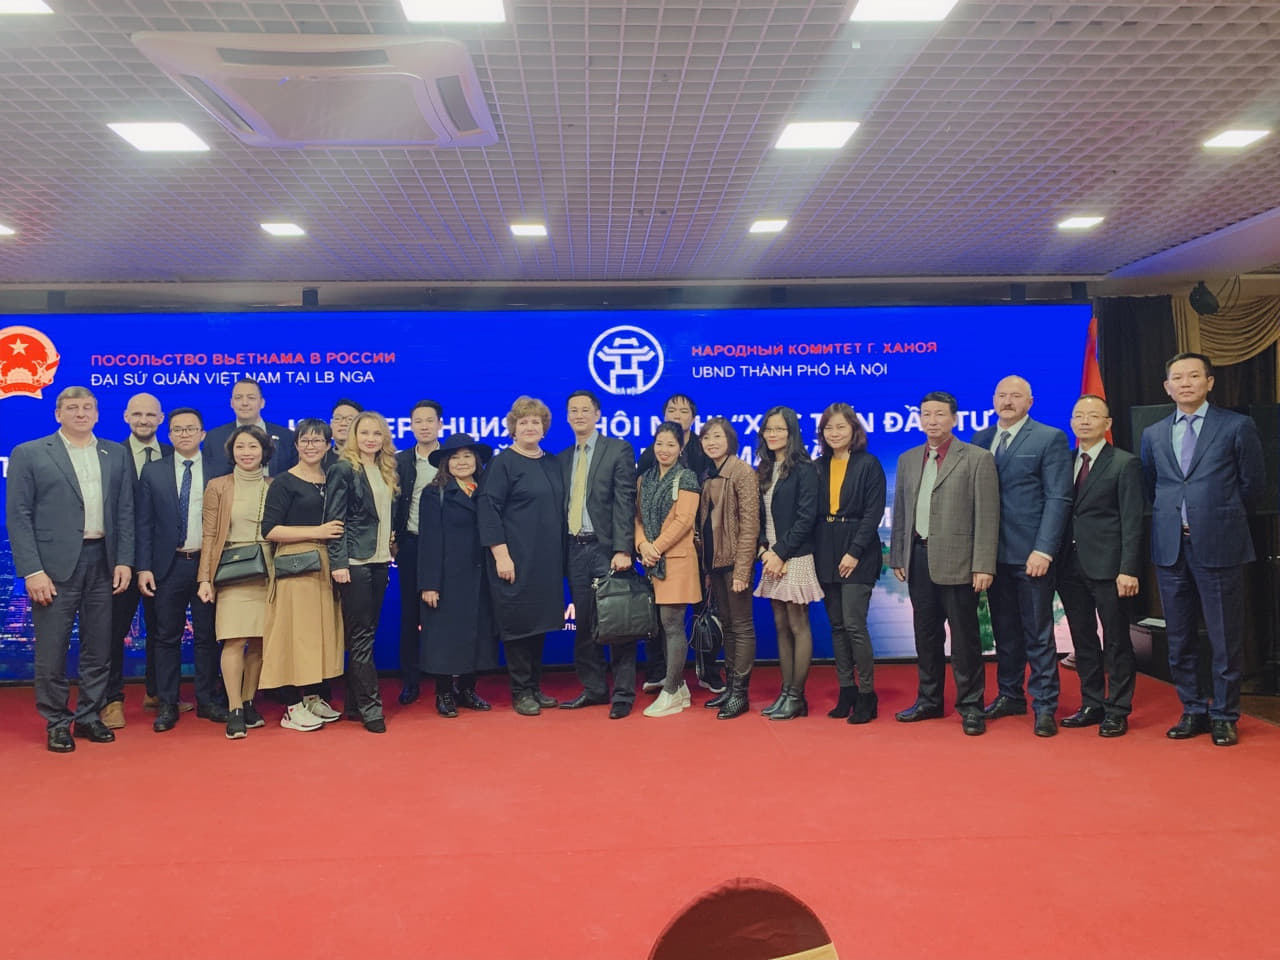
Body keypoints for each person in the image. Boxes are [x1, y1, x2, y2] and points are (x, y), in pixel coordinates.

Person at [1140, 352, 1266, 747]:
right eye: (1177, 378)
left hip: (1220, 543)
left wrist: (1217, 515)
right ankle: (1192, 708)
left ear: (1209, 382)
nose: (1186, 383)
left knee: (1225, 635)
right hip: (1171, 546)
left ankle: (1225, 714)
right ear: (1167, 387)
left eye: (1194, 376)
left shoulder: (1236, 426)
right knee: (1179, 637)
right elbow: (1152, 485)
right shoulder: (1153, 433)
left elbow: (1253, 484)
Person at [6, 386, 134, 753]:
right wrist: (32, 571)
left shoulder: (115, 453)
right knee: (52, 650)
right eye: (73, 407)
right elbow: (18, 516)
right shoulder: (29, 452)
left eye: (88, 407)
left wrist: (124, 560)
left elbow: (125, 510)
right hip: (52, 567)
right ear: (57, 414)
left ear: (97, 413)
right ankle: (57, 722)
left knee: (99, 647)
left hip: (103, 561)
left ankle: (90, 715)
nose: (81, 413)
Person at [889, 391, 999, 736]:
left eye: (939, 414)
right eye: (926, 414)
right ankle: (929, 700)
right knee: (926, 635)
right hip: (918, 558)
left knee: (965, 638)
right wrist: (897, 555)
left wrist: (983, 564)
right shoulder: (909, 459)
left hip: (960, 562)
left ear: (954, 419)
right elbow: (901, 511)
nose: (932, 421)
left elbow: (987, 516)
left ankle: (971, 706)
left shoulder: (977, 458)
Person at [972, 375, 1072, 738]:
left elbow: (1058, 498)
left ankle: (1044, 705)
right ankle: (1010, 695)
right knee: (1005, 632)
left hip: (1032, 554)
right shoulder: (981, 439)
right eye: (1001, 395)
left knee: (1038, 633)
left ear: (1030, 401)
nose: (1007, 401)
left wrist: (1044, 549)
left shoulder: (1049, 437)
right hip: (992, 555)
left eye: (1016, 396)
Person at [1057, 395, 1144, 738]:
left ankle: (1118, 709)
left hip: (1110, 567)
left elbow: (1133, 521)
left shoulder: (1124, 463)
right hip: (1069, 567)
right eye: (1078, 415)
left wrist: (1128, 568)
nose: (1084, 421)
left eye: (1093, 416)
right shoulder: (1064, 461)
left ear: (1107, 424)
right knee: (1083, 639)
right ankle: (1092, 703)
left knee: (1117, 640)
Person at [135, 407, 223, 731]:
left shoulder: (219, 469)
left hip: (206, 565)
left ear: (202, 434)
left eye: (190, 428)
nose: (184, 434)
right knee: (165, 637)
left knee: (207, 636)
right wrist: (143, 567)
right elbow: (144, 524)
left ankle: (207, 700)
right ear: (169, 435)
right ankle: (167, 703)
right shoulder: (153, 472)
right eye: (177, 429)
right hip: (167, 565)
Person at [478, 396, 566, 715]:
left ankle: (535, 686)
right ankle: (521, 691)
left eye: (536, 422)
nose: (530, 427)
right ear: (513, 428)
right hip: (514, 558)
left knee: (539, 624)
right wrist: (501, 555)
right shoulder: (503, 463)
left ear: (544, 428)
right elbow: (488, 510)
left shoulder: (552, 462)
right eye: (523, 422)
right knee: (518, 625)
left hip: (546, 559)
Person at [260, 418, 346, 732]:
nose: (311, 446)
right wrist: (317, 531)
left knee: (318, 635)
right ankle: (291, 706)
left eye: (317, 440)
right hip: (295, 564)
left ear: (328, 445)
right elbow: (270, 530)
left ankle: (312, 696)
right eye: (305, 440)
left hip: (325, 564)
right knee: (292, 636)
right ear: (296, 445)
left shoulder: (332, 478)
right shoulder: (284, 482)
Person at [558, 390, 639, 719]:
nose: (579, 415)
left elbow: (624, 501)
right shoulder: (563, 458)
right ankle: (593, 688)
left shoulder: (617, 449)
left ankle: (623, 694)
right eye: (573, 410)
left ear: (598, 414)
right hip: (574, 549)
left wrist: (623, 548)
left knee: (617, 622)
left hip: (607, 550)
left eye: (585, 410)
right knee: (585, 623)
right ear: (567, 417)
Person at [325, 411, 400, 733]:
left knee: (367, 633)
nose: (371, 439)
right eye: (365, 433)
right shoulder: (343, 469)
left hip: (380, 561)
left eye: (377, 433)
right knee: (361, 636)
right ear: (354, 436)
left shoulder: (386, 470)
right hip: (354, 563)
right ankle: (371, 708)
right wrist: (339, 563)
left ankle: (354, 704)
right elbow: (335, 520)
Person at [197, 425, 273, 739]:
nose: (246, 453)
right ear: (232, 451)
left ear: (264, 451)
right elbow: (209, 535)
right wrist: (205, 578)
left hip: (268, 569)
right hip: (232, 568)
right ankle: (234, 708)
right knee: (233, 639)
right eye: (240, 447)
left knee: (259, 640)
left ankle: (249, 700)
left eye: (253, 446)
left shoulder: (275, 485)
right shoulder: (218, 486)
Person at [417, 433, 501, 716]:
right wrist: (430, 584)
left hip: (482, 576)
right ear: (445, 463)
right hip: (448, 578)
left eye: (467, 456)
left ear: (477, 460)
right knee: (445, 637)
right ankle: (443, 692)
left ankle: (467, 689)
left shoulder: (487, 490)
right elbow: (429, 541)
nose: (462, 462)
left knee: (476, 635)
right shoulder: (434, 493)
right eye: (455, 457)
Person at [814, 402, 886, 724]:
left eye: (840, 427)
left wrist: (854, 551)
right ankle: (847, 690)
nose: (834, 433)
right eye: (828, 428)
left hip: (859, 550)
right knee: (837, 626)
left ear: (854, 430)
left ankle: (868, 694)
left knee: (854, 624)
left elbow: (873, 513)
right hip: (825, 549)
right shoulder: (818, 466)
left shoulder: (869, 464)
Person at [105, 391, 173, 728]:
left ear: (161, 418)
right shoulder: (109, 455)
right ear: (126, 417)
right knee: (113, 632)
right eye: (137, 414)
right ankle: (112, 700)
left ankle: (157, 693)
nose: (144, 420)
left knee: (162, 630)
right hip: (120, 561)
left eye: (150, 415)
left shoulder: (176, 454)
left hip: (163, 561)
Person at [637, 393, 712, 692]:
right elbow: (637, 516)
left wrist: (656, 547)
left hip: (683, 555)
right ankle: (665, 677)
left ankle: (683, 684)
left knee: (679, 622)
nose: (664, 449)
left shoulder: (692, 470)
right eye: (660, 444)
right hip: (651, 560)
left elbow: (684, 520)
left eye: (670, 445)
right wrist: (643, 546)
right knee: (658, 623)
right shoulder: (646, 471)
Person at [754, 406, 822, 721]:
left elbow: (806, 518)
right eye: (768, 429)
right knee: (780, 625)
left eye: (779, 429)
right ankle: (786, 692)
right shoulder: (764, 468)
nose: (773, 434)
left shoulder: (805, 468)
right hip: (771, 557)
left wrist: (781, 553)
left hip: (794, 556)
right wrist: (765, 551)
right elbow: (758, 517)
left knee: (798, 624)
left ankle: (797, 696)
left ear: (792, 432)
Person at [695, 416, 760, 720]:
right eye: (706, 437)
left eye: (717, 437)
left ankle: (741, 693)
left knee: (742, 626)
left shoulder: (742, 471)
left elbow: (750, 525)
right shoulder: (709, 475)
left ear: (730, 440)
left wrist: (743, 569)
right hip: (715, 564)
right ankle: (731, 688)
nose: (711, 442)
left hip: (736, 563)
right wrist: (707, 569)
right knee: (728, 626)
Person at [392, 398, 443, 705]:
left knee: (443, 616)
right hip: (411, 545)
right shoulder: (399, 461)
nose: (424, 426)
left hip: (446, 549)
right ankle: (410, 681)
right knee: (410, 615)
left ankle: (445, 681)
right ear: (410, 426)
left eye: (429, 420)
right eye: (418, 421)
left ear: (440, 424)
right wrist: (393, 540)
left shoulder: (450, 459)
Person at [204, 376, 297, 477]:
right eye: (238, 398)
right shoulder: (214, 438)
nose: (245, 403)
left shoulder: (287, 437)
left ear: (262, 403)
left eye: (251, 398)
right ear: (231, 403)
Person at [322, 398, 363, 470]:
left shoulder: (369, 457)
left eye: (350, 419)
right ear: (331, 424)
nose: (343, 423)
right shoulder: (321, 457)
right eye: (337, 418)